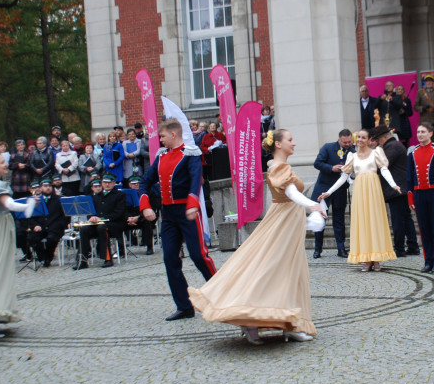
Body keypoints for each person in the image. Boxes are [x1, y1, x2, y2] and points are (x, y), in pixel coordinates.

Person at [190, 129, 323, 345]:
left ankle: (290, 323)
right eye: (290, 139)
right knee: (272, 268)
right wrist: (312, 205)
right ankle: (254, 320)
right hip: (282, 223)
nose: (294, 143)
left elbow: (293, 192)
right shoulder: (279, 167)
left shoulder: (281, 167)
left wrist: (312, 207)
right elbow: (290, 193)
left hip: (289, 223)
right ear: (278, 144)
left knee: (290, 271)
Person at [138, 119, 217, 321]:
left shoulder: (190, 153)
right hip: (169, 215)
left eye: (162, 136)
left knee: (199, 256)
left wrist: (192, 204)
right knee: (170, 259)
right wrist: (145, 205)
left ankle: (222, 294)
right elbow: (146, 181)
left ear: (173, 135)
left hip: (187, 211)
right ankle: (184, 306)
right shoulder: (162, 156)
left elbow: (195, 179)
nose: (160, 140)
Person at [318, 128, 400, 271]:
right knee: (362, 223)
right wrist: (329, 192)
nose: (360, 140)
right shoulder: (352, 156)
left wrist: (393, 184)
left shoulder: (376, 153)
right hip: (359, 192)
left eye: (363, 138)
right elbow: (343, 176)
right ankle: (366, 259)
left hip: (373, 191)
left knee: (375, 222)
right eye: (359, 137)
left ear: (369, 140)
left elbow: (384, 170)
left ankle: (376, 259)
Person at [369, 126, 419, 258]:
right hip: (401, 188)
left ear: (385, 136)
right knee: (406, 218)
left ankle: (399, 248)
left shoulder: (391, 147)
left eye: (379, 139)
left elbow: (382, 165)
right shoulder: (395, 146)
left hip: (396, 189)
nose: (378, 142)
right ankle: (412, 245)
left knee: (398, 220)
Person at [407, 122, 434, 272]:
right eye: (418, 132)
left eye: (423, 132)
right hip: (419, 194)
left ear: (430, 133)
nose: (420, 135)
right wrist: (410, 197)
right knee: (424, 228)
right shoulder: (412, 152)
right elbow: (409, 178)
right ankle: (428, 261)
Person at [310, 129, 354, 259]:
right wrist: (331, 168)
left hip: (340, 190)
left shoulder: (353, 152)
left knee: (339, 220)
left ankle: (341, 249)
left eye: (349, 141)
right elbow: (317, 163)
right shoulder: (328, 147)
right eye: (345, 142)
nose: (347, 144)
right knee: (320, 219)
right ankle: (317, 249)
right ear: (339, 139)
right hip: (323, 188)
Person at [73, 173, 127, 269]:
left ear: (114, 183)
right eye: (105, 182)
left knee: (102, 228)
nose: (107, 185)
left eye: (109, 183)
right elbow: (91, 211)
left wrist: (102, 219)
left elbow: (119, 213)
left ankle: (108, 258)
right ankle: (83, 260)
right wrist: (92, 217)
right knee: (84, 229)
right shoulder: (97, 196)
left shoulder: (120, 195)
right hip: (97, 224)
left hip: (113, 224)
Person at [28, 177, 68, 266]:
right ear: (41, 188)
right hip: (41, 227)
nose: (48, 188)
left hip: (54, 227)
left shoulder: (59, 200)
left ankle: (48, 257)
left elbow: (64, 217)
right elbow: (31, 217)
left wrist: (59, 225)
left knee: (52, 238)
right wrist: (35, 226)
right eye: (45, 186)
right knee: (32, 237)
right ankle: (42, 256)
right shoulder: (36, 200)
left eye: (50, 186)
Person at [378, 81, 414, 146]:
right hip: (387, 122)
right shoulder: (383, 97)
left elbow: (404, 108)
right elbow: (376, 107)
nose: (388, 87)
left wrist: (403, 111)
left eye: (401, 89)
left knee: (401, 143)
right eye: (387, 86)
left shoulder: (400, 98)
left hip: (399, 124)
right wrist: (380, 99)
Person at [414, 75, 434, 142]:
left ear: (433, 82)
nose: (428, 83)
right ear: (425, 83)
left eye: (430, 81)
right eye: (427, 82)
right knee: (426, 139)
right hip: (425, 120)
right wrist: (422, 108)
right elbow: (415, 106)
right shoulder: (420, 92)